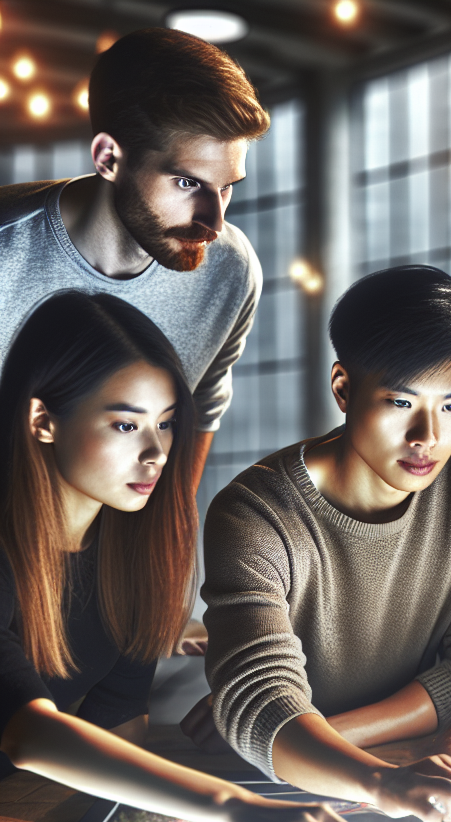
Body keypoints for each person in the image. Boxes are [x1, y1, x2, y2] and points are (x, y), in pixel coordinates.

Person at [0, 291, 385, 822]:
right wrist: (233, 808)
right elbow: (31, 735)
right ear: (42, 420)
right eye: (126, 424)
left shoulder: (127, 557)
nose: (155, 452)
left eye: (166, 424)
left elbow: (118, 727)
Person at [193, 266, 451, 809]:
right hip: (292, 793)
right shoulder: (254, 513)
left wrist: (310, 735)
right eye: (401, 403)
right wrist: (387, 761)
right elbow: (263, 699)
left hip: (342, 761)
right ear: (344, 388)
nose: (429, 437)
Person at [0, 27, 266, 488]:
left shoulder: (229, 270)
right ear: (108, 158)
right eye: (188, 183)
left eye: (226, 188)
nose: (215, 223)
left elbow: (197, 418)